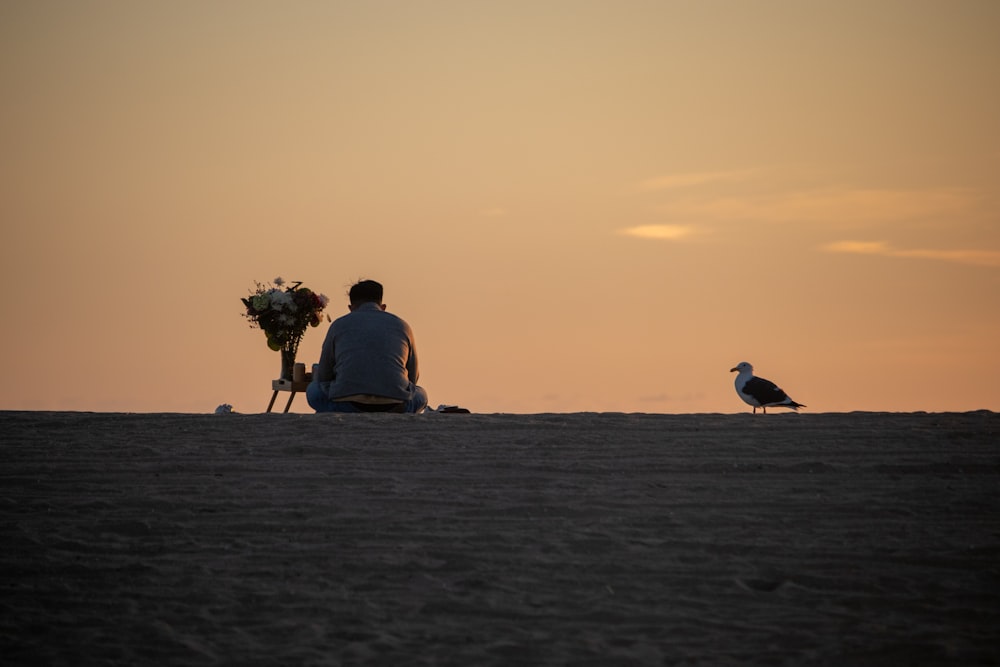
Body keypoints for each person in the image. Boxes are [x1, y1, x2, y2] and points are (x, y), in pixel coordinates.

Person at [306, 279, 428, 413]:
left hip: (347, 405)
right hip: (394, 405)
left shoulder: (338, 325)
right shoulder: (403, 326)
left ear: (351, 308)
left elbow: (324, 376)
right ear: (383, 307)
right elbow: (413, 377)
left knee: (313, 390)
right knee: (421, 395)